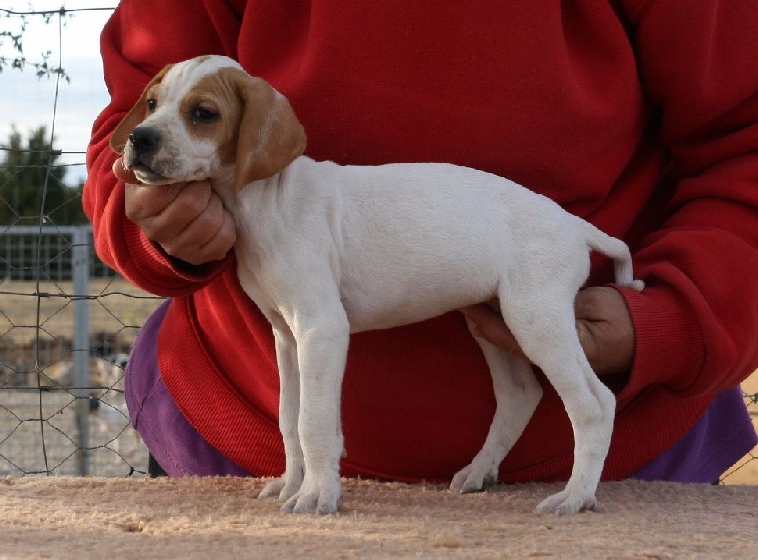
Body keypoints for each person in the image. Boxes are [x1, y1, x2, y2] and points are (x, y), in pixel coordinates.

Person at [84, 0, 758, 484]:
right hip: (229, 431)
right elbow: (130, 119)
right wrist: (154, 219)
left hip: (636, 450)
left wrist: (677, 318)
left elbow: (743, 139)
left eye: (202, 114)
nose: (159, 125)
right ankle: (309, 468)